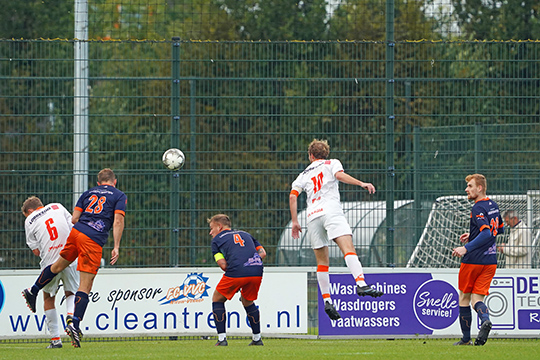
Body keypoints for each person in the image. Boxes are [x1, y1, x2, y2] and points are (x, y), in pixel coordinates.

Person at [22, 168, 127, 348]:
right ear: (114, 182)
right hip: (92, 239)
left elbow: (75, 218)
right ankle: (74, 324)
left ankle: (33, 290)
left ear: (98, 182)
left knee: (57, 266)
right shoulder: (119, 195)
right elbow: (118, 221)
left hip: (76, 233)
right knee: (85, 286)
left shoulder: (88, 193)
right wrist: (116, 246)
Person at [289, 139, 383, 321]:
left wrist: (294, 221)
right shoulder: (332, 163)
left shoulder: (302, 175)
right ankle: (361, 283)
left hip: (313, 217)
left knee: (322, 262)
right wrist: (362, 183)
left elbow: (293, 197)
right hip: (331, 212)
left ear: (310, 156)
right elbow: (339, 176)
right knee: (348, 248)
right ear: (326, 154)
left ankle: (327, 300)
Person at [452, 174, 504, 346]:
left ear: (479, 188)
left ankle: (466, 339)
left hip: (473, 260)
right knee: (477, 300)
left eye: (470, 186)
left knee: (464, 298)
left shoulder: (477, 208)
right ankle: (485, 320)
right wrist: (472, 235)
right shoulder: (493, 205)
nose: (466, 189)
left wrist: (465, 248)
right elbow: (496, 231)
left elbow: (486, 233)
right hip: (490, 261)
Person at [21, 197, 80, 349]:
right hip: (70, 256)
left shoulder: (29, 221)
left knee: (48, 298)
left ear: (30, 211)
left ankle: (56, 340)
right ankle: (71, 320)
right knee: (71, 292)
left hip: (50, 262)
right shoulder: (57, 206)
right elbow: (73, 225)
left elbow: (35, 250)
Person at [208, 214, 266, 347]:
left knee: (217, 299)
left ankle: (222, 339)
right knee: (248, 301)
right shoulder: (246, 234)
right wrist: (250, 261)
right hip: (256, 270)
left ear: (219, 226)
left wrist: (239, 266)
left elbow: (223, 265)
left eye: (212, 228)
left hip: (237, 271)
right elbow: (263, 253)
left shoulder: (217, 240)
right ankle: (257, 339)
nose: (211, 232)